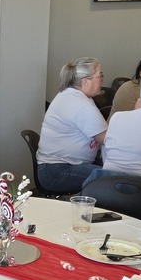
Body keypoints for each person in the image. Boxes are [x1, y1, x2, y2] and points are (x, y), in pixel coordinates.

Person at [36, 58, 107, 194]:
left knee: (114, 173)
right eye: (100, 75)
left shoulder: (74, 96)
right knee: (113, 178)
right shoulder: (79, 103)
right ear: (85, 81)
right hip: (57, 171)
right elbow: (106, 138)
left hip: (57, 167)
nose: (102, 80)